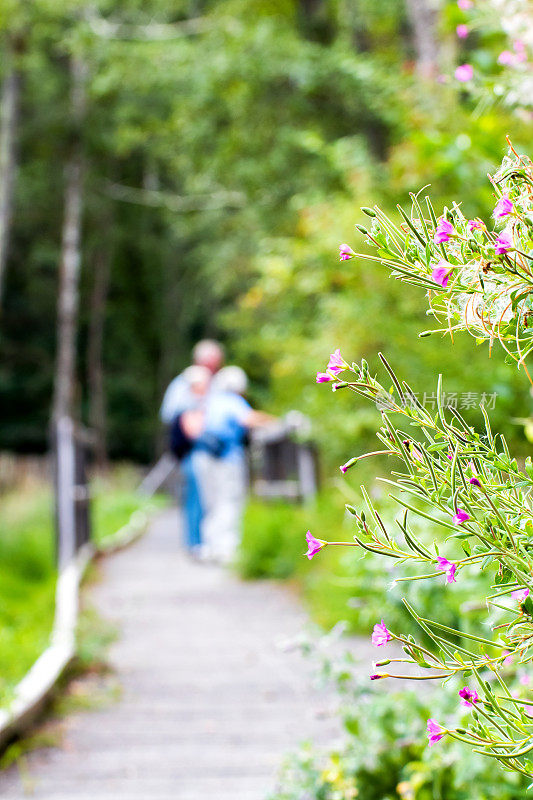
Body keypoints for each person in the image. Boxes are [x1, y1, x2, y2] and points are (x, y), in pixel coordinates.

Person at [196, 366, 274, 563]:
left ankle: (210, 546)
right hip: (227, 459)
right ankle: (227, 549)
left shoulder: (211, 401)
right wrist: (275, 421)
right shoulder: (233, 401)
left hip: (205, 457)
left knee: (211, 503)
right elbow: (248, 419)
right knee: (229, 501)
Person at [160, 340, 224, 425]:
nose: (209, 372)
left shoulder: (220, 383)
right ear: (196, 362)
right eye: (207, 365)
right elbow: (167, 414)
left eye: (214, 367)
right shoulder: (182, 383)